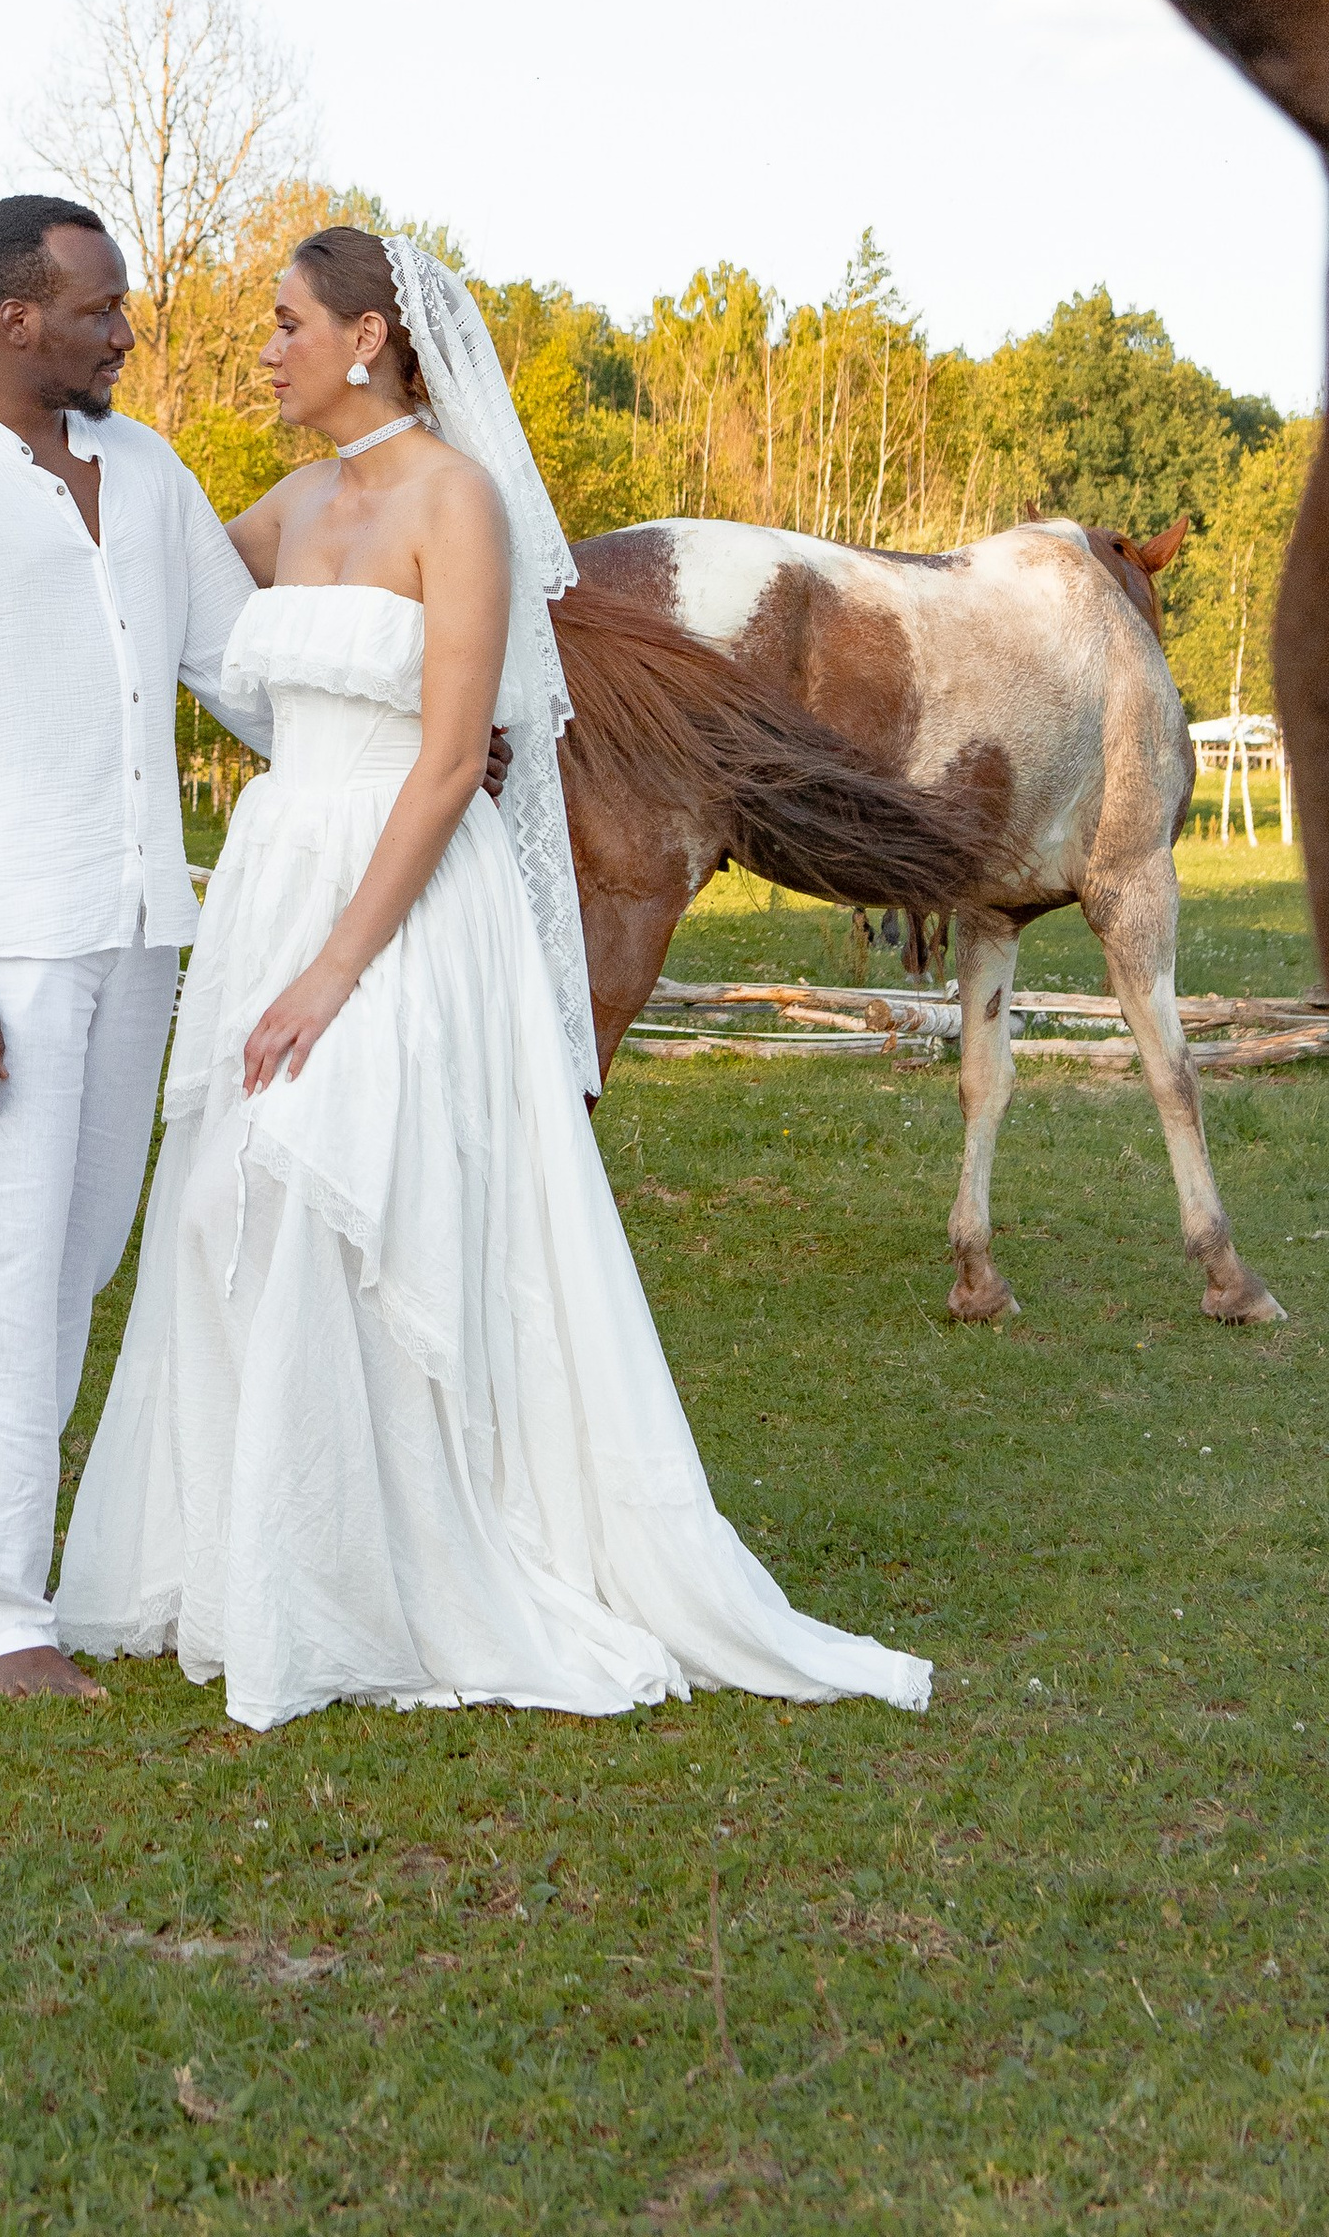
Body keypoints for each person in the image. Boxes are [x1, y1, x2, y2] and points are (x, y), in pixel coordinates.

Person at [56, 225, 932, 1733]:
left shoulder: (452, 504)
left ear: (369, 336)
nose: (260, 348)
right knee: (234, 1201)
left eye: (284, 322)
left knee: (367, 1194)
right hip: (280, 866)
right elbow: (154, 572)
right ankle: (262, 1558)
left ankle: (412, 1566)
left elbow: (458, 757)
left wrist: (337, 969)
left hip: (395, 894)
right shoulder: (288, 503)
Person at [0, 194, 509, 1703]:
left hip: (141, 930)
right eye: (101, 309)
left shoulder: (142, 471)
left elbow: (235, 666)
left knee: (79, 1251)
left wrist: (401, 745)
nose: (130, 331)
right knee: (2, 1256)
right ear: (15, 319)